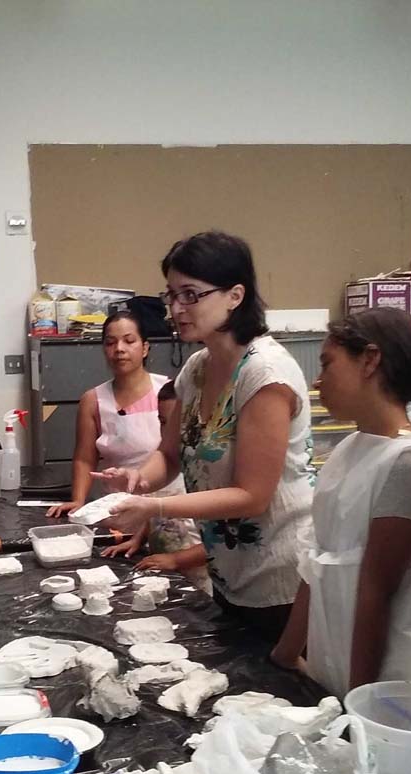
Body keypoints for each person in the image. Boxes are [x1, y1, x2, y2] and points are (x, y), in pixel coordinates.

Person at [102, 230, 315, 642]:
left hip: (279, 575)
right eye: (171, 295)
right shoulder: (198, 367)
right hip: (228, 566)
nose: (176, 308)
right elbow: (169, 454)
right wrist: (138, 480)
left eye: (191, 295)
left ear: (235, 295)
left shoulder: (265, 374)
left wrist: (154, 507)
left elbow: (253, 495)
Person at [271, 308, 411, 698]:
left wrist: (360, 705)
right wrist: (285, 656)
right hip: (334, 668)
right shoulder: (348, 450)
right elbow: (316, 561)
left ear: (370, 360)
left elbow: (376, 595)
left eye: (327, 364)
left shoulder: (406, 463)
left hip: (386, 685)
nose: (318, 380)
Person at [46, 311, 199, 557]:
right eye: (110, 342)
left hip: (168, 507)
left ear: (145, 347)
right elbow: (85, 458)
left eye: (129, 341)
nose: (119, 349)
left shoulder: (170, 392)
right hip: (118, 510)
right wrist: (79, 501)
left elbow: (178, 452)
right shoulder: (93, 400)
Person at [101, 379, 209, 591]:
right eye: (162, 422)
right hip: (162, 570)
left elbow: (221, 542)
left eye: (178, 423)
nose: (169, 432)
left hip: (198, 578)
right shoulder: (161, 465)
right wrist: (138, 539)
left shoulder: (204, 474)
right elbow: (155, 513)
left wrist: (176, 560)